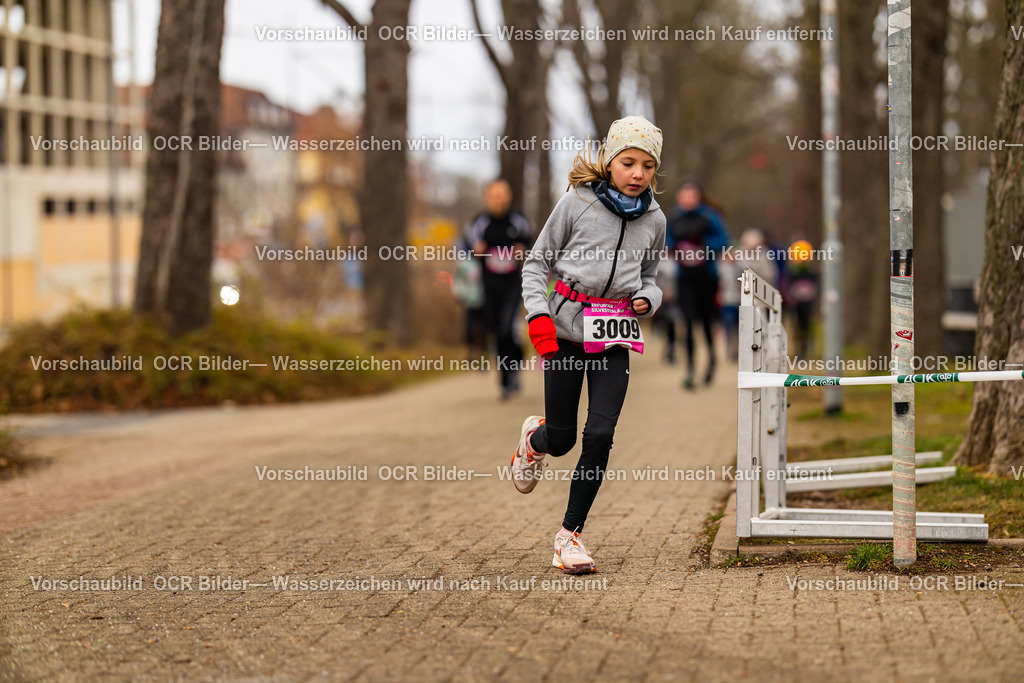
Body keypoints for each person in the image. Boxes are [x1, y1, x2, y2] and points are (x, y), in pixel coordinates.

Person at [510, 116, 666, 574]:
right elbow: (536, 265)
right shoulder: (576, 203)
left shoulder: (655, 220)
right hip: (562, 331)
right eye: (628, 162)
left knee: (599, 435)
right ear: (610, 161)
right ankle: (533, 441)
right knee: (562, 439)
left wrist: (646, 299)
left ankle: (569, 537)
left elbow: (653, 277)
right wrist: (538, 318)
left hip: (615, 335)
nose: (638, 174)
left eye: (648, 166)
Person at [466, 180, 533, 399]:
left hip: (512, 285)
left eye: (503, 194)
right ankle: (506, 378)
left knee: (507, 328)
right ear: (488, 197)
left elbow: (531, 245)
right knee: (496, 332)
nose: (499, 198)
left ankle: (511, 373)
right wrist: (476, 251)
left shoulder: (518, 221)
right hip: (489, 286)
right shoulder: (480, 222)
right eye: (495, 194)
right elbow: (466, 248)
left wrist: (522, 250)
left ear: (509, 196)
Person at [667, 181, 729, 389]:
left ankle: (711, 362)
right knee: (687, 323)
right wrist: (675, 247)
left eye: (691, 196)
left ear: (698, 197)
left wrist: (702, 246)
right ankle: (691, 371)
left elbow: (723, 241)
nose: (687, 200)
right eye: (683, 196)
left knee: (706, 323)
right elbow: (665, 240)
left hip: (707, 278)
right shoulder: (674, 217)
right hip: (684, 278)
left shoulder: (710, 216)